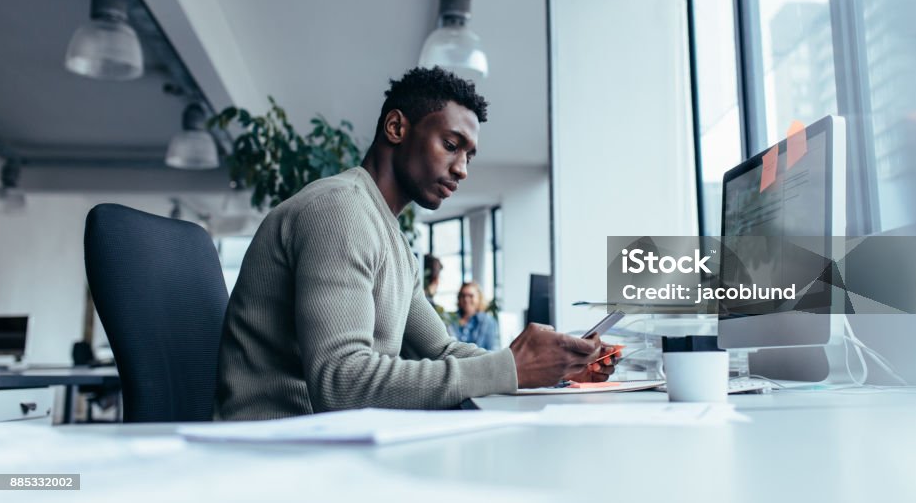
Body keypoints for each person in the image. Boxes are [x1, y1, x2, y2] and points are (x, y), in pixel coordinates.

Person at [215, 67, 619, 419]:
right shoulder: (339, 210)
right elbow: (341, 384)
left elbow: (442, 350)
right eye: (451, 144)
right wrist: (512, 367)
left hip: (326, 446)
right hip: (274, 454)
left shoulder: (391, 240)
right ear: (396, 128)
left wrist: (555, 368)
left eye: (469, 156)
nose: (461, 169)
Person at [447, 282, 499, 350]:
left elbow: (492, 350)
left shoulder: (488, 321)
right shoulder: (450, 319)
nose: (466, 299)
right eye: (463, 295)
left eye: (471, 296)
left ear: (479, 298)